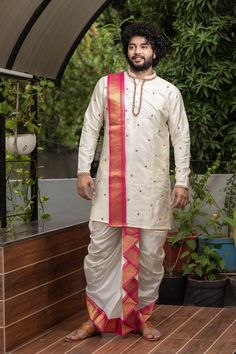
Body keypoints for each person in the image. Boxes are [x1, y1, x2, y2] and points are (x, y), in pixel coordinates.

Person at [65, 22, 190, 342]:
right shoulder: (107, 86)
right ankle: (96, 318)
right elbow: (90, 128)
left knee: (150, 255)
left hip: (152, 188)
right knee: (99, 253)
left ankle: (141, 317)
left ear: (155, 52)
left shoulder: (168, 92)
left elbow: (181, 139)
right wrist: (82, 170)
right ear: (127, 50)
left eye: (144, 47)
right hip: (110, 186)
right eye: (133, 47)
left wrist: (183, 181)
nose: (138, 52)